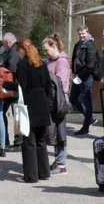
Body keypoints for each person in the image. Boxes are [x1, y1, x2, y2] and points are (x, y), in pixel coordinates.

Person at [3, 38, 51, 183]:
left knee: (29, 141)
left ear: (22, 50)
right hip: (42, 102)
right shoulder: (41, 63)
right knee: (41, 140)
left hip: (29, 104)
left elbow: (21, 86)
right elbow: (48, 84)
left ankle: (31, 176)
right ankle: (44, 173)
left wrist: (7, 84)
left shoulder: (23, 64)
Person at [42, 34, 70, 175]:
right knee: (54, 131)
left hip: (59, 100)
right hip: (53, 99)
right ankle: (59, 161)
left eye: (46, 50)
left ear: (54, 46)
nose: (45, 53)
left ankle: (61, 164)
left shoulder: (62, 62)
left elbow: (59, 82)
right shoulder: (51, 61)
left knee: (60, 133)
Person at [0, 32, 22, 147]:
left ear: (8, 42)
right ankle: (9, 137)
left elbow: (12, 71)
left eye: (4, 44)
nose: (3, 46)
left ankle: (14, 138)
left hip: (12, 89)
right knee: (14, 113)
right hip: (14, 88)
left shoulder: (13, 52)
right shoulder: (15, 50)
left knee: (6, 113)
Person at [70, 25, 99, 135]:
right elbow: (74, 58)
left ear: (87, 33)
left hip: (86, 77)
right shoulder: (78, 44)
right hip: (77, 76)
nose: (81, 35)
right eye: (80, 34)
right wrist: (73, 71)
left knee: (87, 102)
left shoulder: (90, 46)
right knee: (73, 99)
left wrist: (81, 75)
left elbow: (90, 65)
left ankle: (85, 127)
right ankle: (90, 118)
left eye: (83, 33)